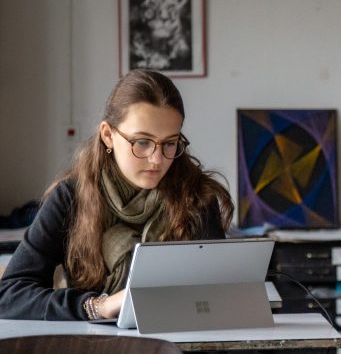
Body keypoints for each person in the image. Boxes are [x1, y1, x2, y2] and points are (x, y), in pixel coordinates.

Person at [0, 69, 233, 320]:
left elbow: (216, 296)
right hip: (96, 351)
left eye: (169, 143)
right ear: (108, 135)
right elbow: (9, 295)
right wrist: (97, 306)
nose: (157, 160)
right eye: (142, 142)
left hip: (181, 352)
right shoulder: (70, 197)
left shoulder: (196, 197)